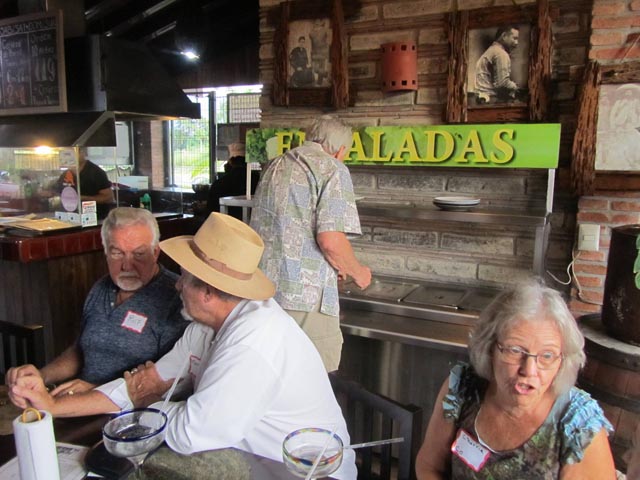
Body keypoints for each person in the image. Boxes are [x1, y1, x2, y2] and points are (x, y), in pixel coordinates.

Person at [8, 212, 357, 480]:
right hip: (252, 459)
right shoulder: (206, 326)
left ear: (207, 291)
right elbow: (145, 384)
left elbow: (193, 432)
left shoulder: (253, 343)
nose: (177, 286)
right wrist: (51, 405)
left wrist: (148, 405)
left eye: (186, 278)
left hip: (302, 472)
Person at [415, 278, 616, 479]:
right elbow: (429, 466)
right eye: (515, 350)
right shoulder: (462, 388)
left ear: (563, 360)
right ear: (490, 348)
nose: (529, 370)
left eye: (547, 355)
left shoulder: (579, 427)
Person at [6, 207, 188, 403]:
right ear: (106, 253)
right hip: (79, 400)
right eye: (117, 253)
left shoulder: (176, 298)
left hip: (131, 410)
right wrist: (41, 376)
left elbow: (167, 381)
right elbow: (81, 350)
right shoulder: (102, 287)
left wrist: (95, 389)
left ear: (155, 252)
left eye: (138, 254)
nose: (127, 265)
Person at [250, 115, 371, 372]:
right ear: (340, 150)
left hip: (263, 291)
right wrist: (358, 272)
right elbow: (330, 240)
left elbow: (288, 228)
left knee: (273, 372)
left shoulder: (276, 164)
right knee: (313, 375)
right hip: (305, 296)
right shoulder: (333, 168)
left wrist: (336, 266)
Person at [205, 143, 259, 220]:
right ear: (248, 162)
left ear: (230, 161)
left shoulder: (219, 183)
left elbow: (210, 213)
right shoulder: (258, 181)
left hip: (225, 225)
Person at [57, 147, 115, 218]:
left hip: (95, 218)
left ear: (82, 153)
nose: (68, 157)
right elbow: (58, 192)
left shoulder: (96, 172)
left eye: (71, 153)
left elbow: (108, 198)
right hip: (71, 217)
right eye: (65, 154)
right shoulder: (65, 174)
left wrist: (82, 198)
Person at [474, 26, 520, 104]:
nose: (516, 43)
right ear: (504, 36)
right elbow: (503, 83)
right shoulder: (500, 53)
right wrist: (515, 87)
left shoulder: (492, 50)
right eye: (514, 38)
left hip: (483, 100)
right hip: (491, 101)